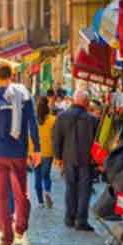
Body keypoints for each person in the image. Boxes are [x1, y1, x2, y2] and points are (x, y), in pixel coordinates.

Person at [0, 61, 39, 245]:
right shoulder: (25, 96)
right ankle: (21, 227)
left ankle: (6, 238)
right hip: (19, 152)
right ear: (13, 75)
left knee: (2, 196)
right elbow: (33, 123)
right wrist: (36, 148)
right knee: (21, 193)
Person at [52, 89, 99, 230]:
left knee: (70, 187)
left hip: (68, 157)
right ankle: (81, 219)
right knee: (84, 189)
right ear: (86, 103)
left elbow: (56, 139)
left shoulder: (62, 117)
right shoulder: (92, 119)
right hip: (86, 159)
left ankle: (69, 217)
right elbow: (97, 143)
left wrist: (58, 157)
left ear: (74, 101)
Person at [29, 96, 56, 208]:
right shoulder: (53, 120)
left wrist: (28, 152)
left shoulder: (32, 120)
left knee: (37, 176)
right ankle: (47, 191)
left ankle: (40, 202)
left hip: (35, 152)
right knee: (46, 176)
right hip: (48, 152)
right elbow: (55, 137)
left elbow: (30, 137)